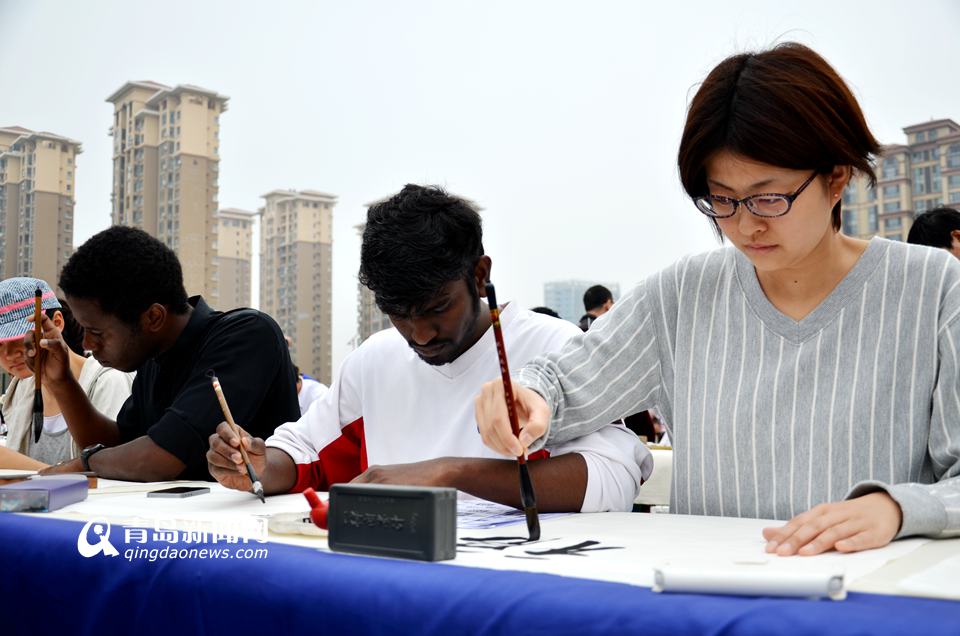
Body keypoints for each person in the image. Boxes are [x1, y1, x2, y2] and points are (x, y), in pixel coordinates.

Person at [476, 42, 960, 554]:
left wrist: (896, 508)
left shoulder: (932, 288)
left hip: (866, 600)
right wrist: (525, 397)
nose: (746, 224)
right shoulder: (683, 295)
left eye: (770, 197)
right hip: (710, 597)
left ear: (837, 177)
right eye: (723, 199)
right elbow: (565, 388)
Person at [208, 185, 650, 512]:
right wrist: (257, 464)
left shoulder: (554, 348)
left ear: (479, 275)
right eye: (397, 313)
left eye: (437, 307)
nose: (419, 335)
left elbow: (616, 477)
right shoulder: (374, 360)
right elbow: (304, 453)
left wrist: (449, 473)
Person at [31, 226, 300, 481]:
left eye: (97, 332)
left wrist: (85, 463)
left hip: (255, 524)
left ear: (154, 317)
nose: (87, 344)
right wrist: (62, 381)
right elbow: (117, 447)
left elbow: (159, 459)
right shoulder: (153, 359)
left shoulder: (247, 336)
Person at [0, 279, 133, 469]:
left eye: (20, 338)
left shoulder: (109, 381)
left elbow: (114, 468)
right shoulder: (20, 390)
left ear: (57, 322)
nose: (9, 354)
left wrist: (15, 463)